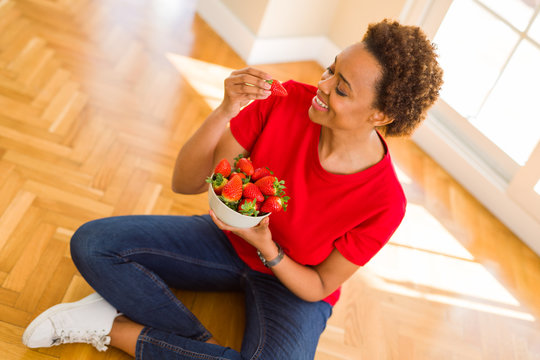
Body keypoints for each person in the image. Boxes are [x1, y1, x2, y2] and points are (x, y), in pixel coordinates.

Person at [22, 19, 443, 359]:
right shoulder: (283, 100)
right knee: (94, 243)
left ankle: (113, 328)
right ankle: (197, 348)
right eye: (332, 68)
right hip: (224, 242)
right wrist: (226, 109)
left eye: (342, 88)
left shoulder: (385, 201)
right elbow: (186, 182)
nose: (324, 84)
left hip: (292, 288)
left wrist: (268, 247)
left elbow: (317, 287)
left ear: (380, 115)